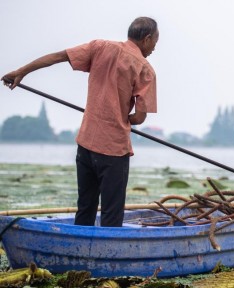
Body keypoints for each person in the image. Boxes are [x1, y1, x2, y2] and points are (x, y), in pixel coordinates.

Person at [1, 17, 159, 227]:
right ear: (147, 39)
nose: (154, 48)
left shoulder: (100, 47)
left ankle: (79, 250)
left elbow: (58, 57)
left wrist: (20, 72)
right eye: (155, 42)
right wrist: (123, 118)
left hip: (85, 144)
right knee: (112, 215)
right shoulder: (145, 69)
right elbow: (139, 117)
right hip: (113, 150)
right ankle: (106, 257)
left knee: (85, 208)